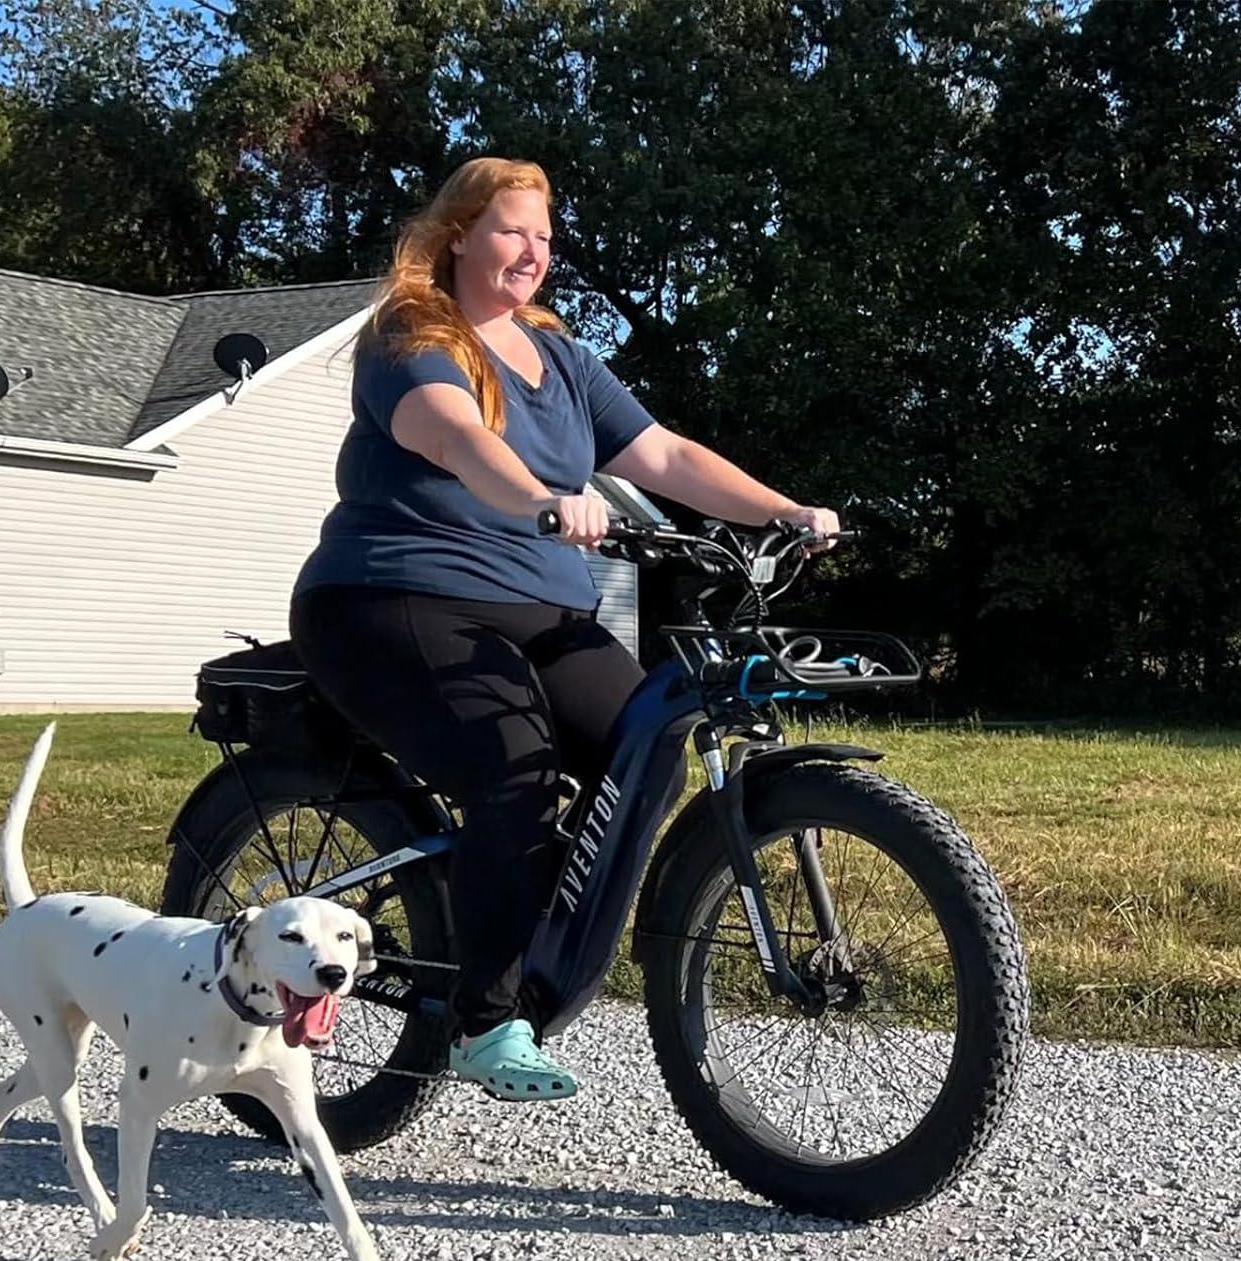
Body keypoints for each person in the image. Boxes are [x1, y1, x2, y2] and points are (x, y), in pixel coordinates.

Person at [290, 157, 838, 1100]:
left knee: (649, 742)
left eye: (544, 237)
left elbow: (664, 454)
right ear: (459, 234)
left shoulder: (565, 357)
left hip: (538, 605)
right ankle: (484, 1020)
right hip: (392, 596)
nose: (532, 252)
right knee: (517, 772)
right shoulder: (411, 334)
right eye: (511, 230)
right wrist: (543, 498)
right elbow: (457, 438)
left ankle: (540, 948)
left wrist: (783, 512)